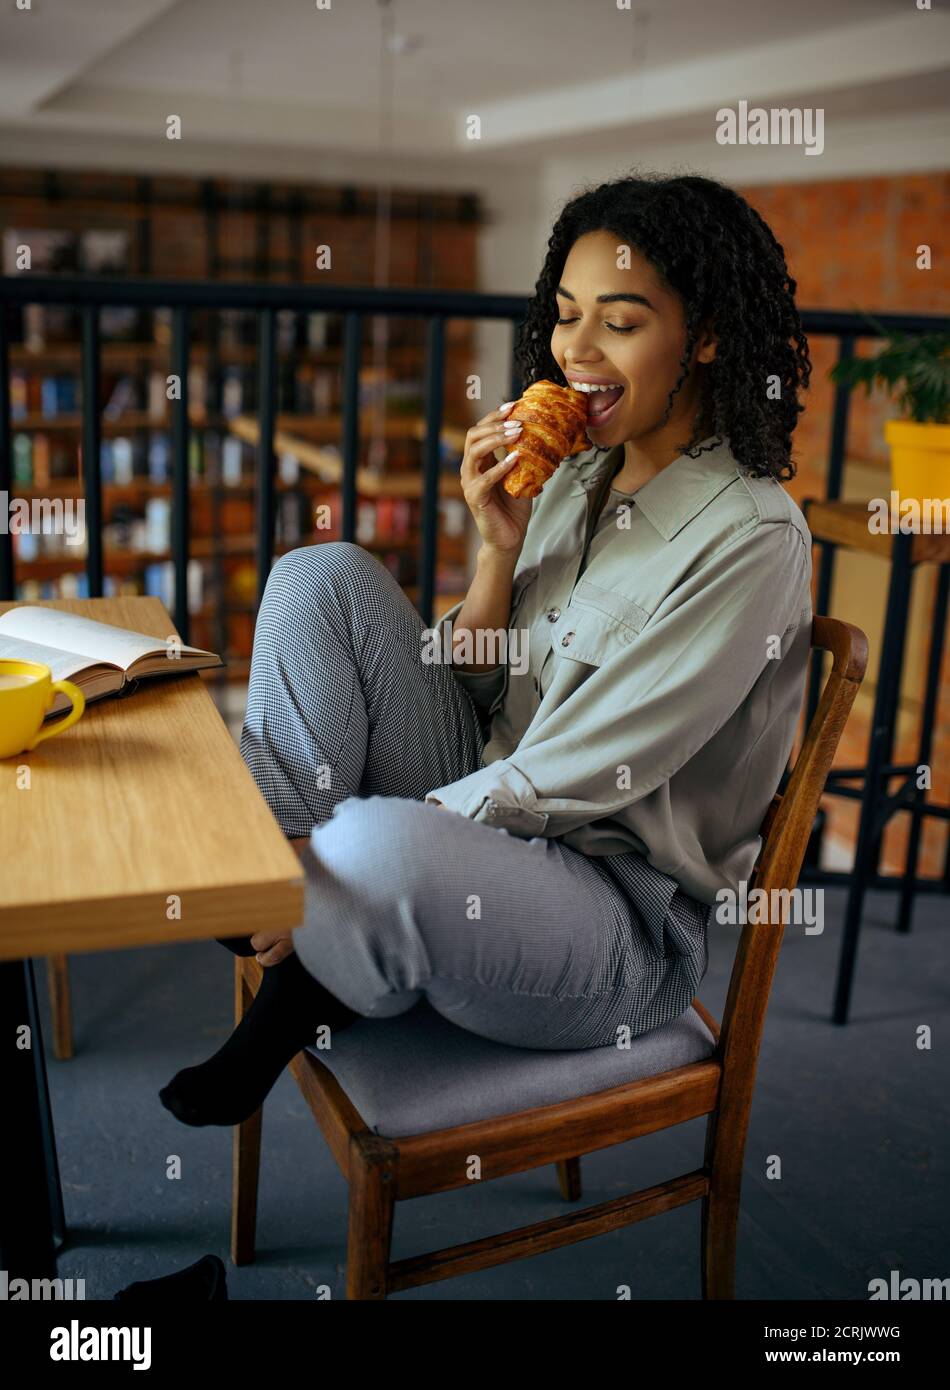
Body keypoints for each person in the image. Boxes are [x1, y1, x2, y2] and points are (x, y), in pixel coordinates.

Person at [160, 171, 813, 1129]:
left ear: (706, 335)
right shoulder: (572, 470)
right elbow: (474, 682)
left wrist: (369, 845)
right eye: (565, 315)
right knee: (320, 573)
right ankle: (294, 896)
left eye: (619, 323)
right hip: (485, 795)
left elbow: (585, 768)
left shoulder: (752, 537)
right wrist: (498, 548)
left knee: (373, 847)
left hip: (611, 919)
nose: (574, 351)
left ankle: (306, 946)